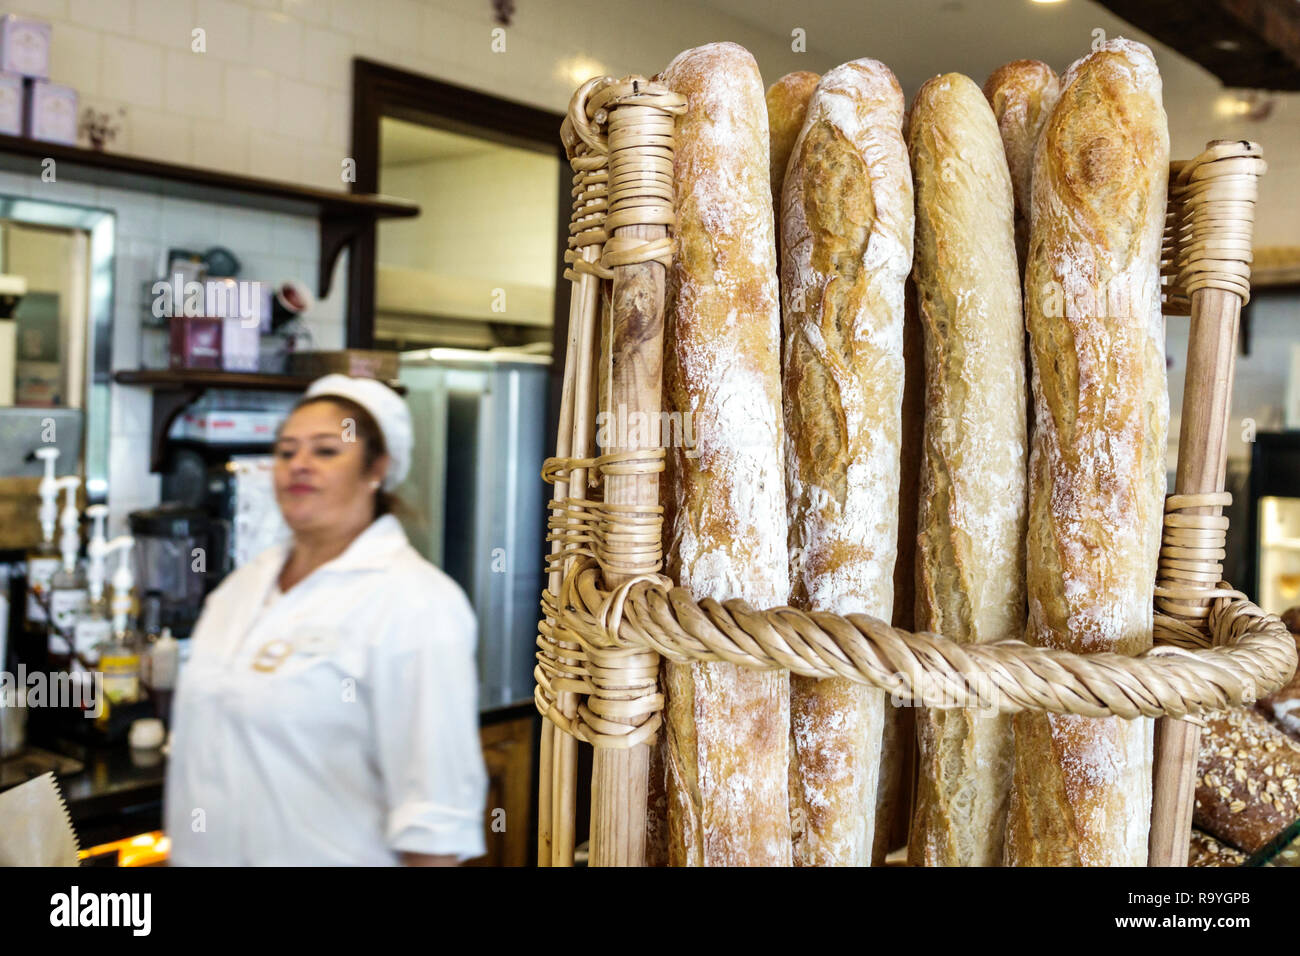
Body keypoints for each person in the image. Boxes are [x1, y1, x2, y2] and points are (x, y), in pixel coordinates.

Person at [164, 375, 487, 865]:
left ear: (376, 468)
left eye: (326, 451)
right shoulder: (242, 588)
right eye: (286, 450)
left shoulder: (416, 603)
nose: (299, 465)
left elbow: (435, 821)